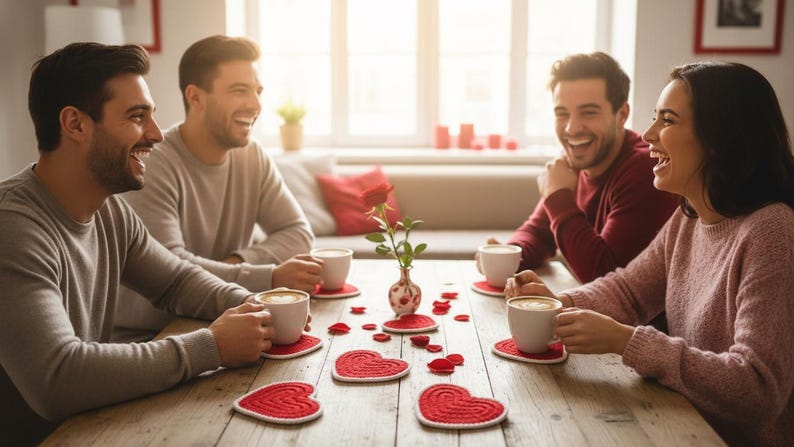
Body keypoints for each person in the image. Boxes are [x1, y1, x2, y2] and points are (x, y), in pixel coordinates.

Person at [0, 43, 296, 445]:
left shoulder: (110, 212)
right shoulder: (12, 226)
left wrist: (254, 305)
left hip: (92, 423)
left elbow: (178, 282)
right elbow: (58, 377)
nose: (156, 134)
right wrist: (212, 346)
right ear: (75, 124)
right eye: (137, 117)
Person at [506, 61, 794, 446]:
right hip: (678, 420)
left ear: (720, 137)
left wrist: (626, 341)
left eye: (668, 121)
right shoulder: (690, 215)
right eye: (654, 118)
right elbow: (628, 290)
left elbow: (757, 389)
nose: (650, 134)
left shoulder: (771, 230)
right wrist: (559, 303)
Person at [113, 35, 320, 342]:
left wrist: (236, 262)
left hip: (227, 322)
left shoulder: (252, 157)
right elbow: (173, 268)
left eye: (257, 91)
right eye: (240, 91)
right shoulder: (154, 162)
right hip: (154, 338)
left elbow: (299, 234)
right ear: (195, 97)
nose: (255, 104)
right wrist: (269, 276)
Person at [482, 52, 678, 284]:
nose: (572, 129)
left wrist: (557, 195)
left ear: (622, 115)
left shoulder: (644, 167)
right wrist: (507, 255)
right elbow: (537, 232)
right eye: (562, 114)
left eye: (588, 113)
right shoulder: (576, 160)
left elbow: (604, 276)